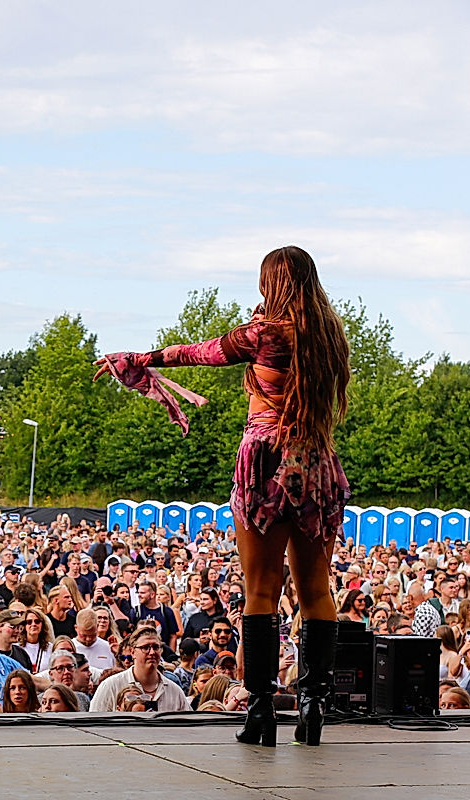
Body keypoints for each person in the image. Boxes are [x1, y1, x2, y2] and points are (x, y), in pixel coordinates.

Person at [95, 246, 351, 746]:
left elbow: (202, 352)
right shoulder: (328, 338)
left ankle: (260, 712)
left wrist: (140, 359)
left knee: (261, 590)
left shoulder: (265, 334)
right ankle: (314, 706)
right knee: (316, 590)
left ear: (271, 283)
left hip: (266, 461)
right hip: (315, 464)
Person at [91, 627, 189, 712]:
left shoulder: (174, 691)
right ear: (132, 652)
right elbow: (93, 722)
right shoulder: (111, 686)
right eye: (145, 647)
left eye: (155, 647)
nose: (152, 652)